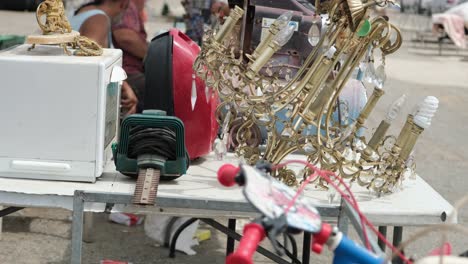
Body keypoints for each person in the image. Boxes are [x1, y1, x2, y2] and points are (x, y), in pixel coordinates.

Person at [70, 0, 138, 116]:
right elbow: (90, 63)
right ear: (123, 4)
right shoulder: (98, 19)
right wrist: (123, 84)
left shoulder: (77, 14)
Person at [112, 0, 149, 113]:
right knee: (164, 88)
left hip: (132, 70)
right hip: (128, 71)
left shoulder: (131, 6)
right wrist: (153, 55)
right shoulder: (127, 6)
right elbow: (124, 37)